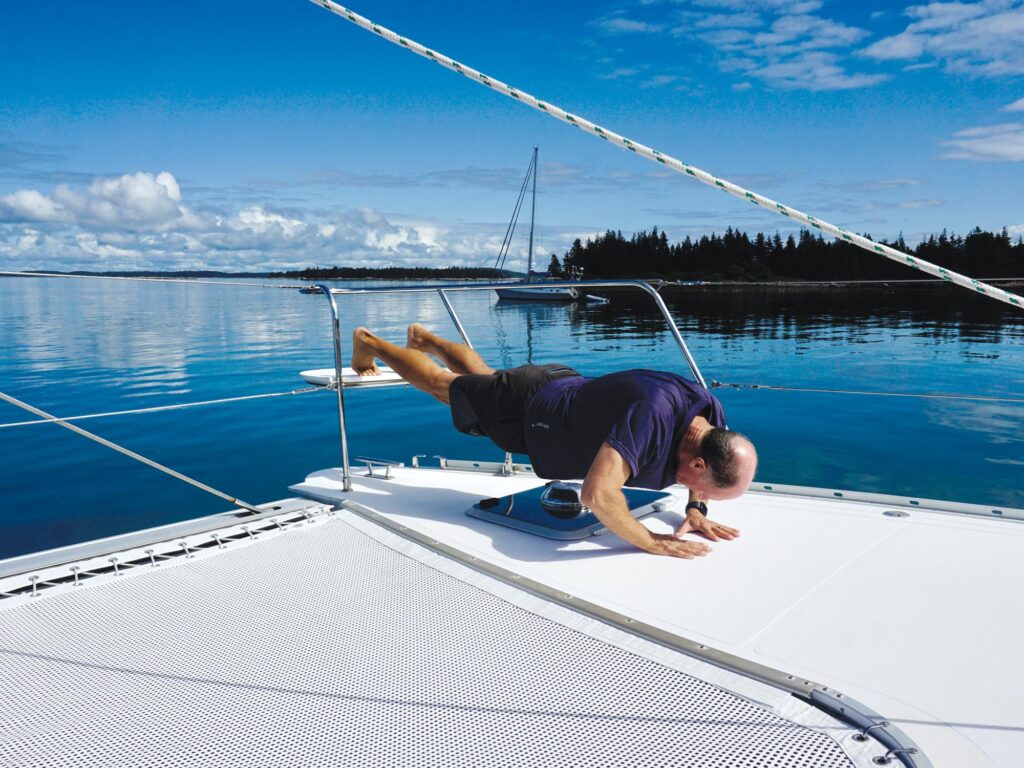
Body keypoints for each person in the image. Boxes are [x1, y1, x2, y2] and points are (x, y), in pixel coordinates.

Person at [351, 323, 758, 559]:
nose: (695, 493)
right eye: (701, 489)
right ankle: (370, 343)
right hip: (529, 409)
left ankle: (425, 338)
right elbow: (597, 495)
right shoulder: (650, 417)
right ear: (699, 466)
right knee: (444, 386)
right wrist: (652, 541)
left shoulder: (709, 418)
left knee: (483, 378)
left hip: (558, 384)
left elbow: (697, 472)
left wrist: (697, 507)